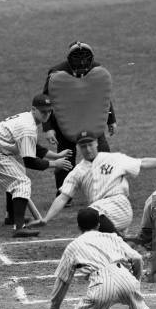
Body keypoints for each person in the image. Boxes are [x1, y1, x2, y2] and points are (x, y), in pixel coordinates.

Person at [28, 130, 156, 234]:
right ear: (79, 147)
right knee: (95, 235)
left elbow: (142, 163)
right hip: (102, 214)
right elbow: (63, 197)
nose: (88, 149)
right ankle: (122, 247)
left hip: (119, 205)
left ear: (96, 143)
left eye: (90, 144)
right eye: (83, 146)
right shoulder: (77, 171)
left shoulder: (113, 158)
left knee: (88, 215)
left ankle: (120, 245)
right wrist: (46, 218)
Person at [0, 94, 73, 237]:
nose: (47, 114)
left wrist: (56, 155)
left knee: (18, 172)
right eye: (43, 111)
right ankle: (19, 227)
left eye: (49, 111)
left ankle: (12, 217)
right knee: (21, 181)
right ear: (34, 109)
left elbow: (33, 147)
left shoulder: (27, 118)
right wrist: (55, 164)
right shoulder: (28, 128)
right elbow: (30, 161)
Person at [43, 41, 117, 197]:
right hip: (65, 123)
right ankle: (64, 193)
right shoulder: (56, 73)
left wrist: (111, 120)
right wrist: (48, 127)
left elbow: (102, 97)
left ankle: (107, 188)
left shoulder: (97, 70)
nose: (82, 63)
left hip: (91, 119)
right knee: (66, 157)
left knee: (103, 153)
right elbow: (47, 100)